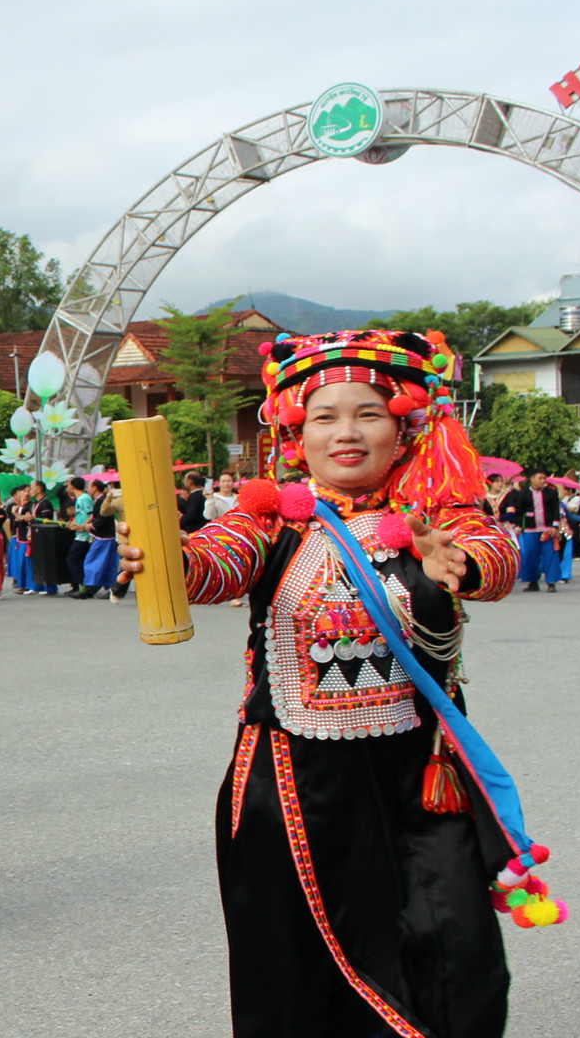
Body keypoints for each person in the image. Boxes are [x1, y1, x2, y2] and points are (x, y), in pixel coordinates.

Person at [117, 328, 533, 1037]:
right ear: (295, 431)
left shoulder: (437, 514)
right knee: (299, 974)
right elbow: (215, 563)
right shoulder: (269, 520)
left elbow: (494, 556)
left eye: (368, 413)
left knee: (457, 958)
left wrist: (458, 559)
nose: (347, 432)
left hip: (420, 777)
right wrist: (166, 562)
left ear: (402, 426)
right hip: (291, 779)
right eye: (325, 416)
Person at [499, 470, 566, 593]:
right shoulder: (523, 494)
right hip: (530, 530)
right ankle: (532, 582)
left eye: (544, 478)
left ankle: (551, 582)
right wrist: (518, 525)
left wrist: (555, 526)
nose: (543, 481)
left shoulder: (551, 493)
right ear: (532, 479)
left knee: (550, 556)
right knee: (530, 556)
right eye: (540, 478)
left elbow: (556, 511)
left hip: (547, 530)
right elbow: (518, 512)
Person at [76, 478, 124, 601]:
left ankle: (88, 588)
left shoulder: (103, 500)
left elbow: (103, 518)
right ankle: (108, 588)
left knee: (92, 561)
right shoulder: (99, 500)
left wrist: (90, 526)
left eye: (90, 486)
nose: (88, 489)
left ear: (95, 488)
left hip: (104, 537)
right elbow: (95, 516)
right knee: (108, 564)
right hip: (104, 536)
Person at [65, 479, 95, 596]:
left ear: (72, 487)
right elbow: (80, 515)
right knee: (78, 559)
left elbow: (91, 513)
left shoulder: (84, 498)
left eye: (68, 485)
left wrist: (83, 525)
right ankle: (84, 585)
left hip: (85, 535)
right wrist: (73, 523)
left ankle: (85, 585)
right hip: (80, 533)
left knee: (72, 559)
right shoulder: (79, 499)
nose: (67, 488)